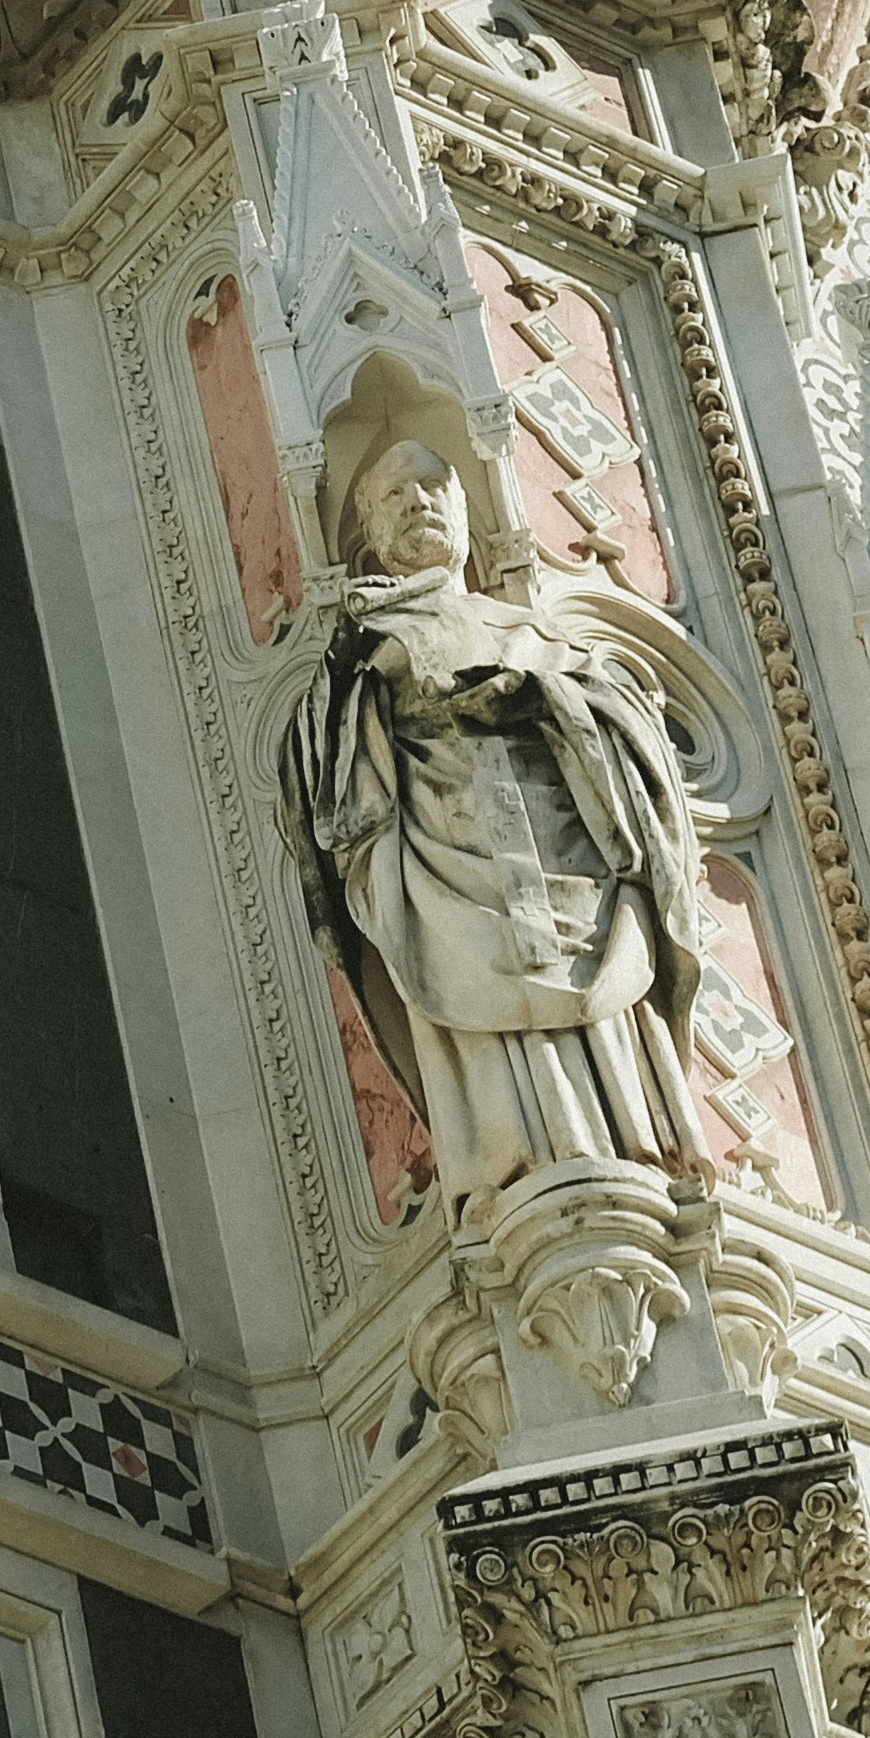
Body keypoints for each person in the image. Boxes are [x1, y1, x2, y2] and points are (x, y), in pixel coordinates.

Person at [283, 440, 708, 1209]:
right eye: (393, 496)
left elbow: (627, 733)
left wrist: (543, 699)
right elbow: (334, 794)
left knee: (602, 1011)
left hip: (575, 870)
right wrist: (376, 690)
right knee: (473, 1012)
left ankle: (631, 1149)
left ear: (466, 516)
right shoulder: (362, 653)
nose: (417, 502)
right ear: (372, 536)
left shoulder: (541, 636)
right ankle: (508, 1169)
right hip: (447, 878)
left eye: (432, 485)